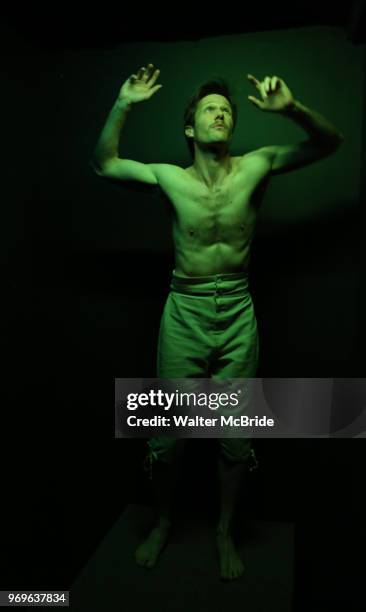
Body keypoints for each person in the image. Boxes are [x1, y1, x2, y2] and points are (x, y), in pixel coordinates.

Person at [91, 63, 343, 579]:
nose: (221, 114)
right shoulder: (168, 177)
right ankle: (163, 520)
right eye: (211, 109)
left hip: (237, 312)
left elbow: (330, 143)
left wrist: (291, 109)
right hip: (183, 309)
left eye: (227, 110)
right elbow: (105, 165)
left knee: (235, 437)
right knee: (168, 438)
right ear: (191, 128)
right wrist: (123, 104)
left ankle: (225, 529)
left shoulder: (257, 165)